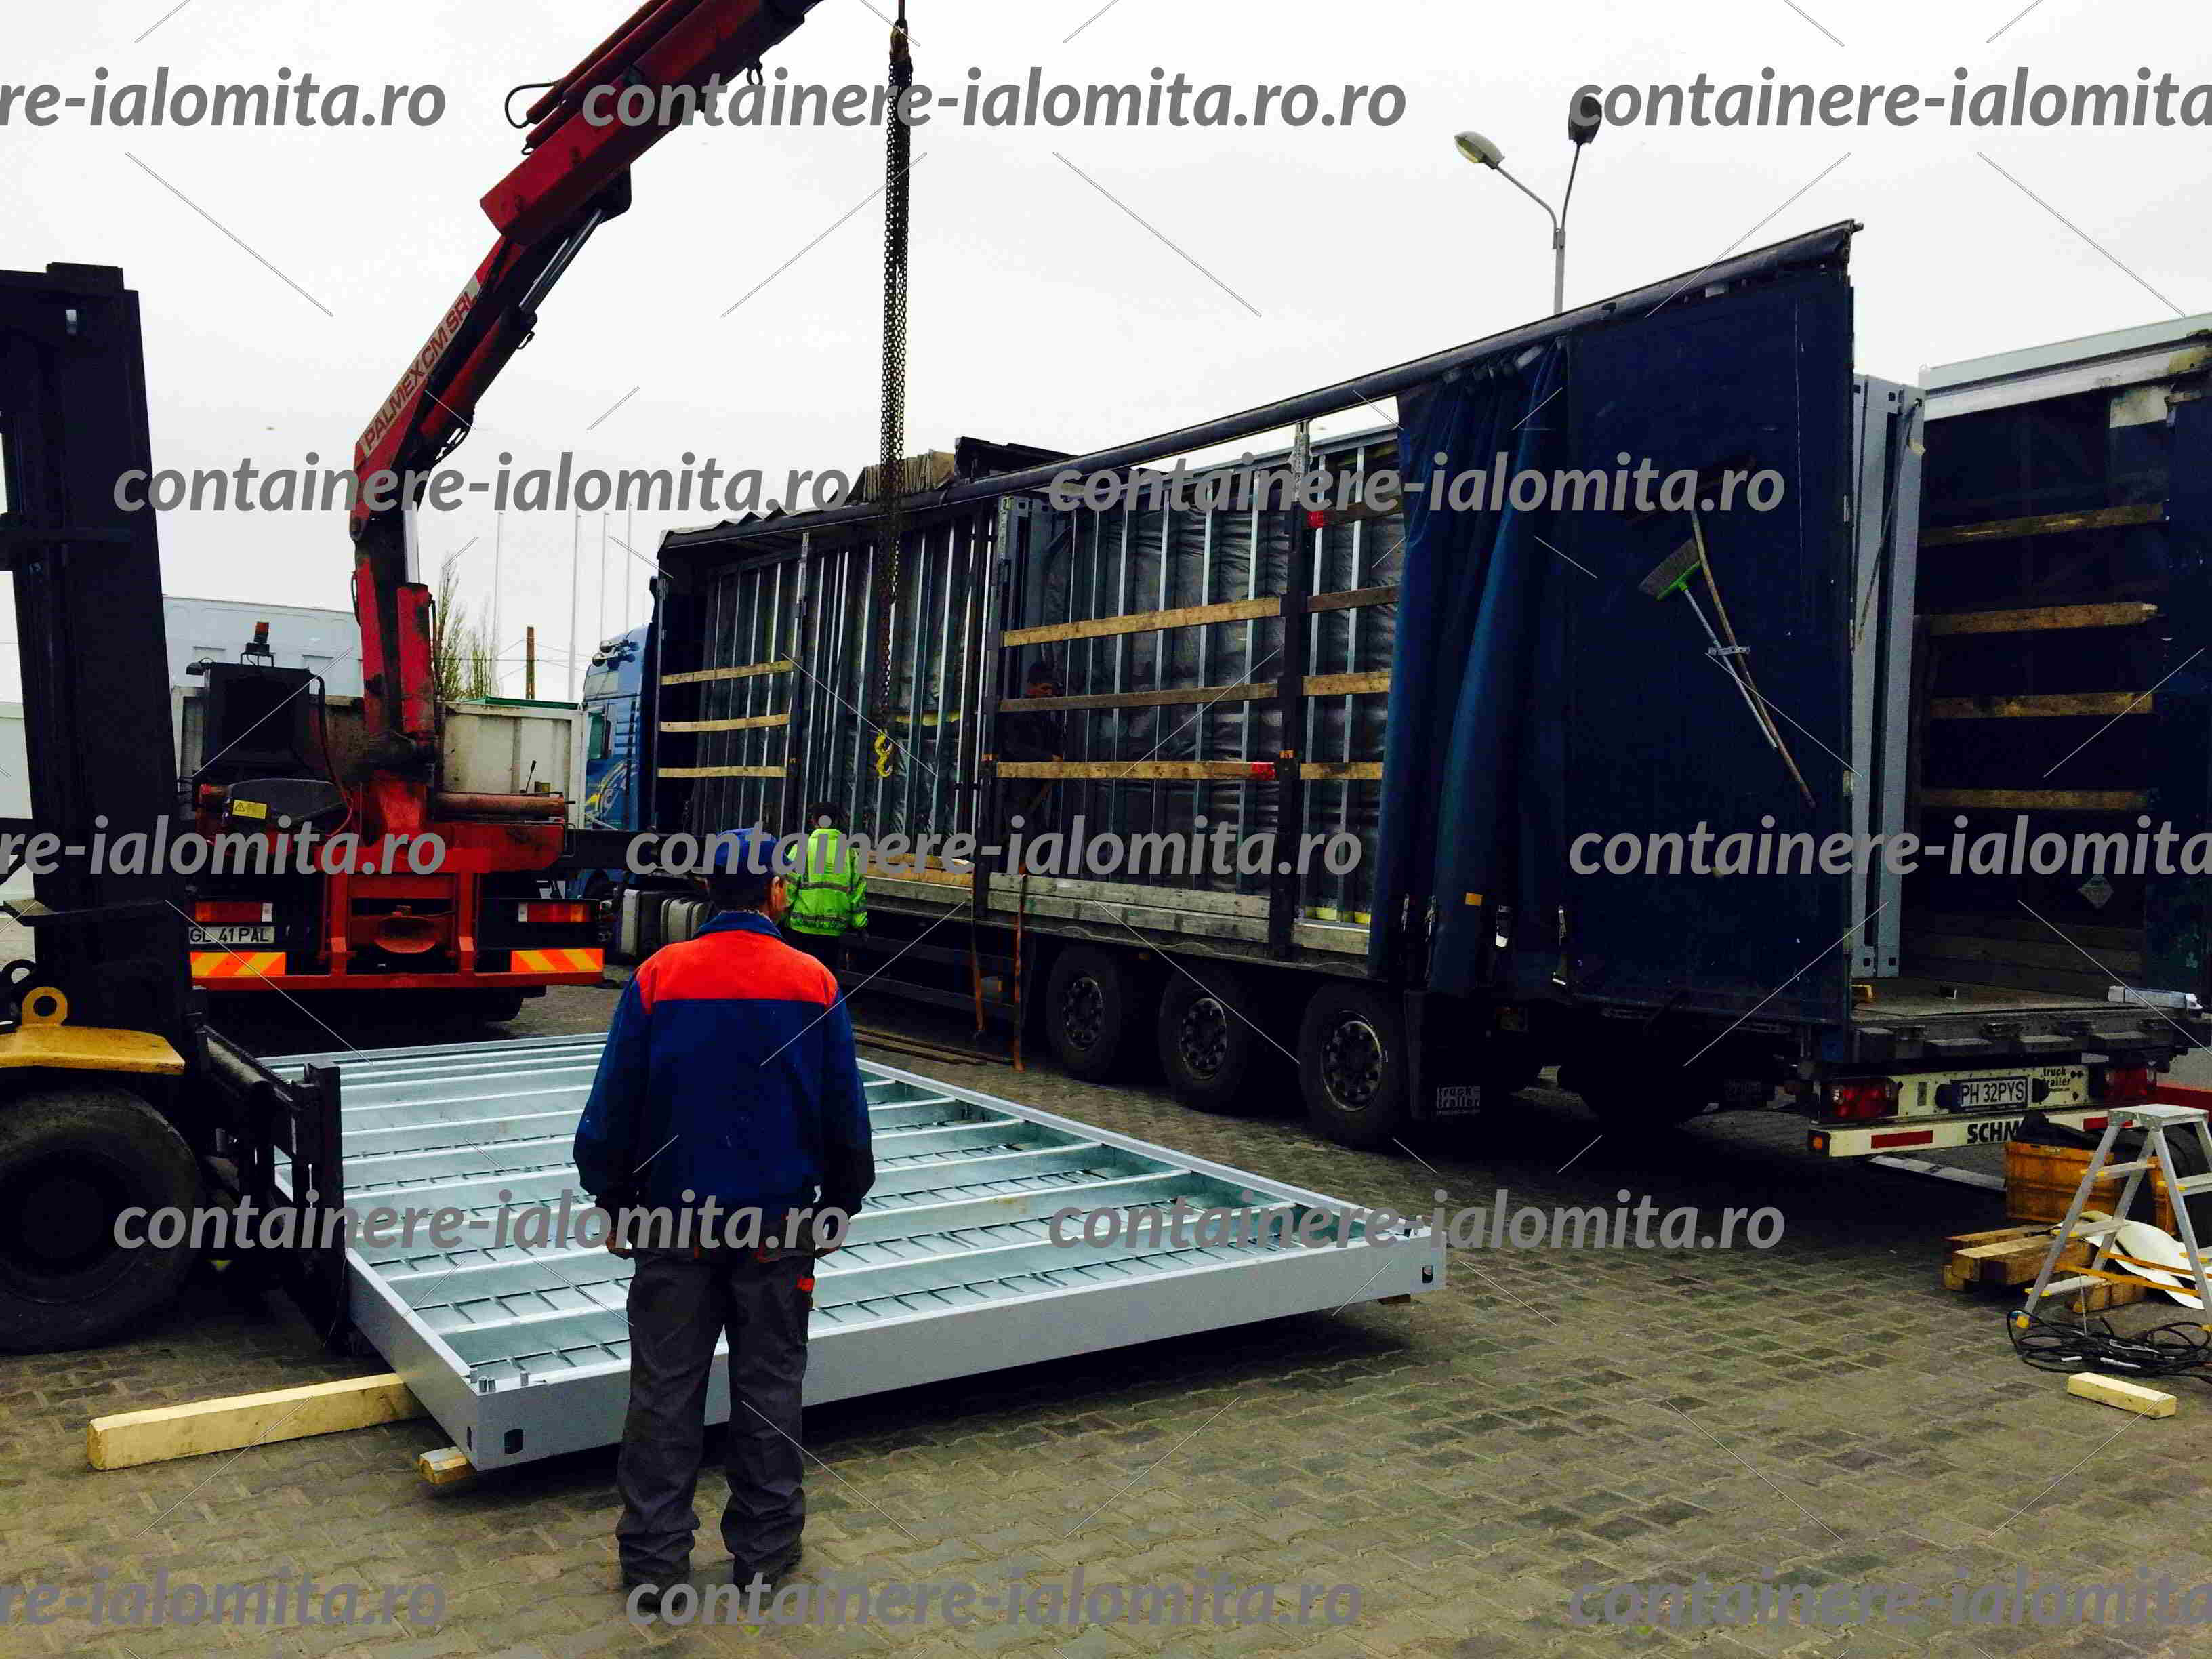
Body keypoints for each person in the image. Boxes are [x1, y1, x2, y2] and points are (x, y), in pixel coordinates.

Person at [573, 828, 874, 1614]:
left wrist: (612, 1198)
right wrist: (841, 1203)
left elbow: (611, 1109)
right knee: (769, 1389)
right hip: (778, 1228)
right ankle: (764, 1558)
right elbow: (846, 1116)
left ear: (707, 890)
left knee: (664, 1394)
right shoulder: (813, 982)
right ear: (776, 892)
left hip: (674, 1224)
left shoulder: (658, 977)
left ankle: (654, 1563)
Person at [785, 802, 867, 972]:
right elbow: (857, 893)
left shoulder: (801, 848)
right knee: (824, 977)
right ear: (836, 821)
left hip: (800, 927)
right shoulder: (850, 853)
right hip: (833, 931)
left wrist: (777, 918)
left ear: (813, 821)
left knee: (798, 976)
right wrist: (860, 925)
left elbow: (788, 887)